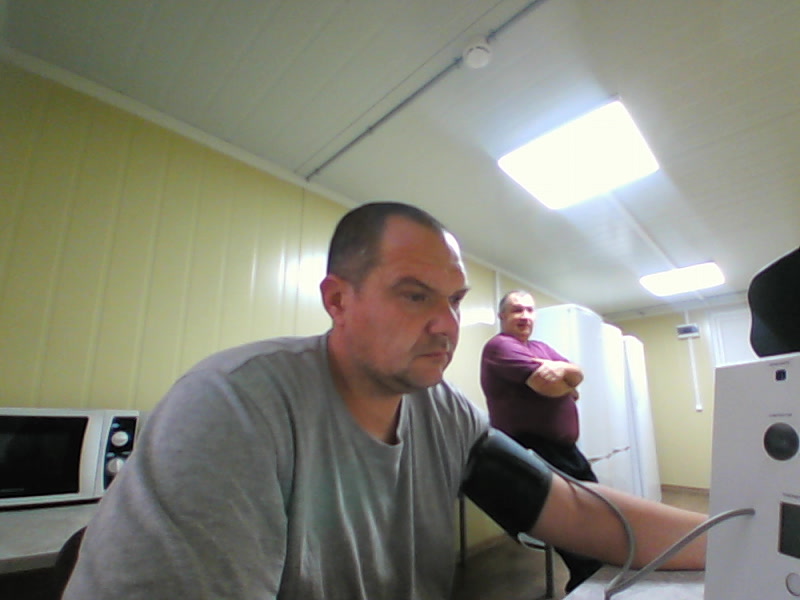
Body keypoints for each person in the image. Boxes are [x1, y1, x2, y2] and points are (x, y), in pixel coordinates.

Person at [63, 202, 706, 600]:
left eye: (454, 301)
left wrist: (734, 536)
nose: (447, 325)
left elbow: (573, 509)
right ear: (338, 300)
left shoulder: (443, 413)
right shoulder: (233, 407)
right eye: (415, 294)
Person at [480, 290, 602, 592]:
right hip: (535, 447)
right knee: (570, 516)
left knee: (593, 507)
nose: (525, 316)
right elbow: (548, 387)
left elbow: (578, 373)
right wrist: (568, 384)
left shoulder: (540, 347)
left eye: (529, 310)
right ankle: (586, 579)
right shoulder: (500, 346)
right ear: (502, 316)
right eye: (516, 310)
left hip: (563, 449)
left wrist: (566, 372)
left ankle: (593, 574)